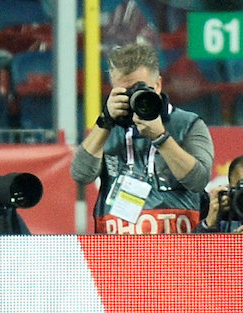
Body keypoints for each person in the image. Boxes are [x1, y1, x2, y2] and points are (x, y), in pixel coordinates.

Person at [70, 42, 214, 234]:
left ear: (158, 85)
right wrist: (104, 121)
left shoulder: (188, 124)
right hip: (117, 252)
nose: (133, 98)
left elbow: (199, 180)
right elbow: (81, 174)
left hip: (178, 251)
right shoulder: (107, 129)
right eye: (125, 92)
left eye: (140, 89)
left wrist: (160, 138)